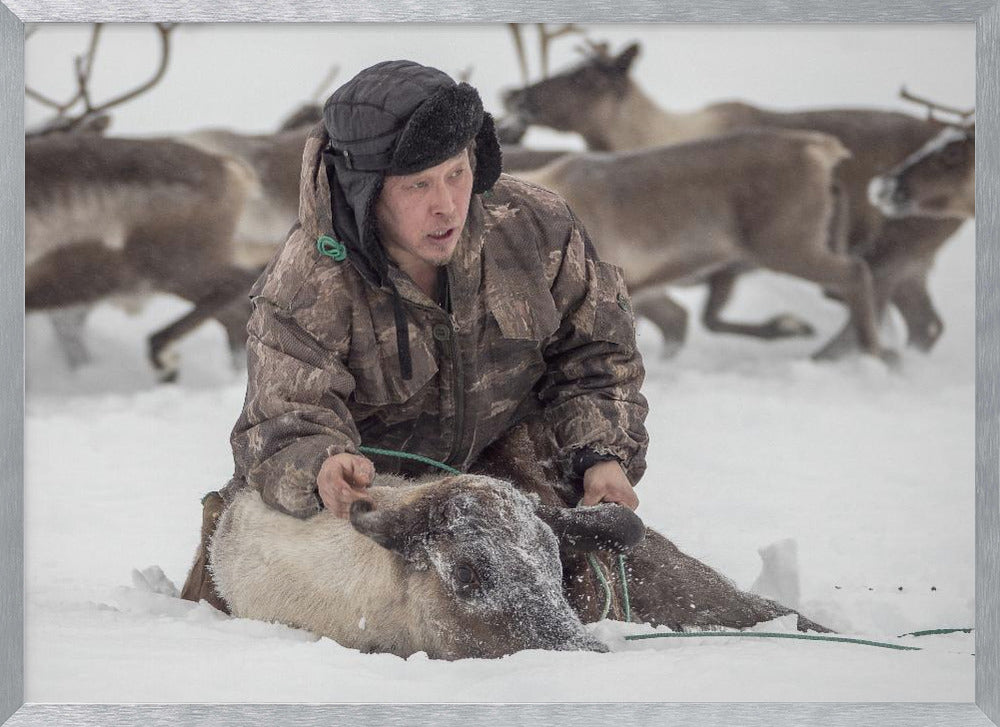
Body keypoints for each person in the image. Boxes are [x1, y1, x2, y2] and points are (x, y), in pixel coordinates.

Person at [180, 59, 648, 608]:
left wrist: (600, 456)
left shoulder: (536, 225)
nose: (446, 204)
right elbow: (284, 420)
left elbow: (597, 354)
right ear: (366, 192)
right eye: (418, 185)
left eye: (456, 172)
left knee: (625, 590)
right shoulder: (307, 280)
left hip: (504, 489)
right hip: (367, 509)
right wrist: (325, 465)